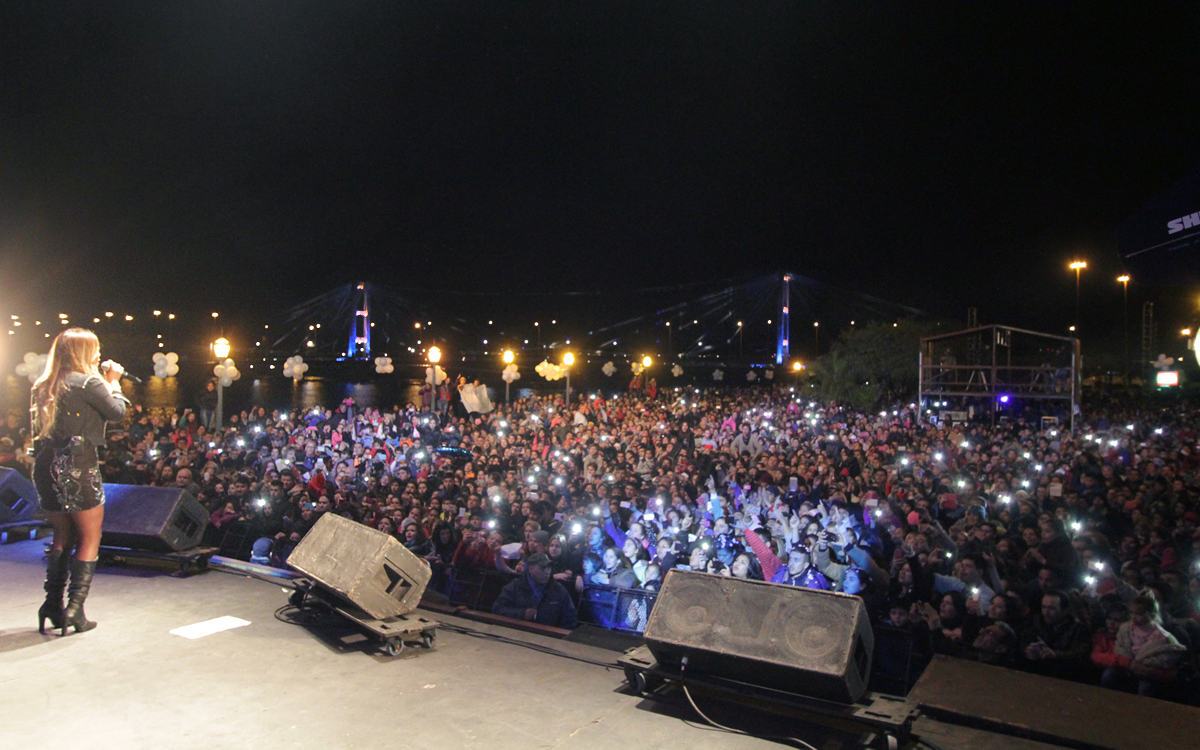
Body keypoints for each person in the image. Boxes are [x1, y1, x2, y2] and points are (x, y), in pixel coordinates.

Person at [31, 328, 130, 635]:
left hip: (46, 465)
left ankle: (51, 605)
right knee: (89, 537)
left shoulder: (43, 384)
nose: (99, 355)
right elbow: (117, 413)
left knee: (62, 535)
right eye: (95, 350)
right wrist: (113, 382)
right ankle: (76, 609)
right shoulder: (90, 382)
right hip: (78, 464)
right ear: (83, 353)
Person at [492, 552, 578, 628]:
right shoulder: (515, 586)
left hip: (548, 639)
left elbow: (570, 619)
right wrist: (522, 614)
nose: (547, 571)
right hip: (518, 634)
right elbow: (498, 609)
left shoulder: (559, 590)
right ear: (531, 569)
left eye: (549, 567)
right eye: (543, 568)